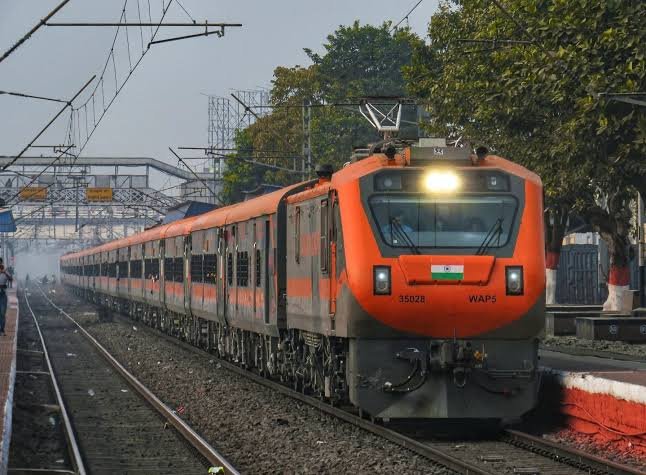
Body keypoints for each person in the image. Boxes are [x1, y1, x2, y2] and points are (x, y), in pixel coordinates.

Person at [0, 265, 13, 336]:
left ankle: (2, 330)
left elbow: (11, 279)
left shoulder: (5, 273)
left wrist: (5, 272)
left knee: (2, 313)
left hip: (2, 295)